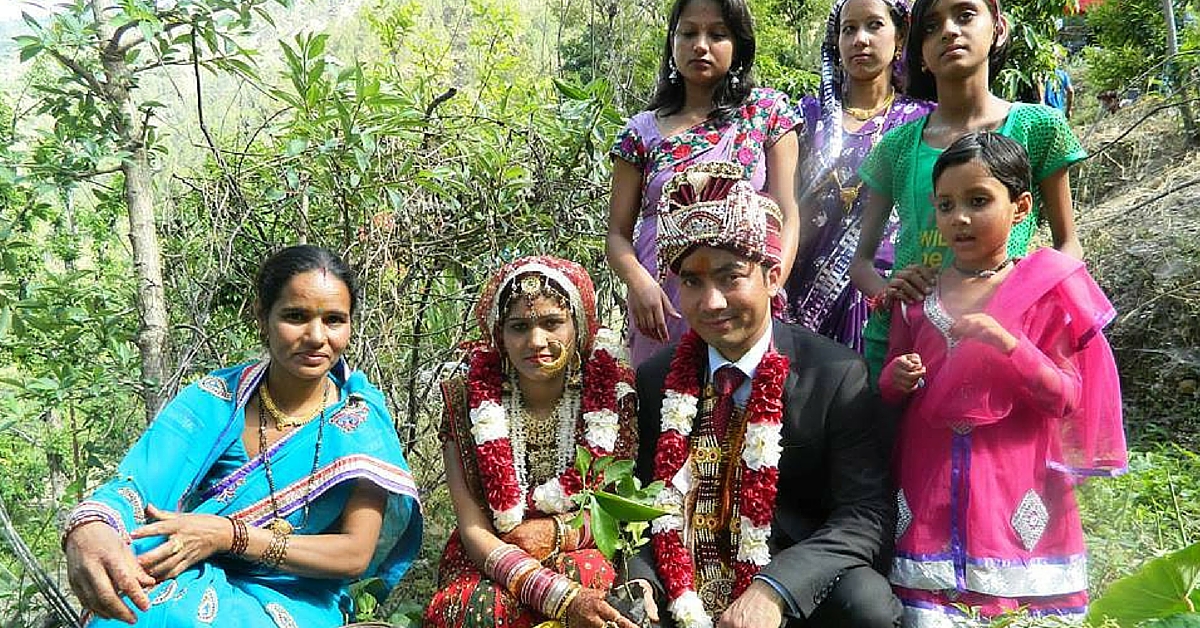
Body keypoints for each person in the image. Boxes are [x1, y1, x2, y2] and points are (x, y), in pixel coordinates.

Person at [61, 245, 423, 626]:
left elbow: (354, 554)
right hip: (189, 576)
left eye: (334, 320)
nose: (317, 336)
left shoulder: (360, 423)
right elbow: (136, 485)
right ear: (262, 317)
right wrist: (91, 528)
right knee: (132, 614)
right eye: (296, 316)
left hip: (298, 595)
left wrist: (228, 536)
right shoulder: (215, 401)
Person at [629, 161, 900, 628]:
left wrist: (775, 589)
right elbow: (638, 506)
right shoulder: (656, 379)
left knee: (867, 604)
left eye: (730, 277)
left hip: (791, 593)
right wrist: (640, 583)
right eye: (692, 281)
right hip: (683, 587)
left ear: (772, 277)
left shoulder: (835, 374)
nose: (711, 302)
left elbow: (865, 514)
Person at [879, 133, 1126, 625]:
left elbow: (1066, 397)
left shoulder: (1047, 291)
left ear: (1020, 207)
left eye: (978, 201)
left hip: (1017, 489)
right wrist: (898, 377)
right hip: (927, 491)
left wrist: (1010, 345)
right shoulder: (918, 293)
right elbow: (888, 388)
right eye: (946, 205)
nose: (960, 218)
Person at [848, 0, 1088, 380]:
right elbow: (860, 264)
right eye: (930, 26)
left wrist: (1023, 300)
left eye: (964, 15)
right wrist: (888, 291)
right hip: (906, 351)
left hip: (1001, 339)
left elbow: (1068, 247)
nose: (948, 31)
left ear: (998, 28)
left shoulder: (1040, 127)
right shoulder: (896, 146)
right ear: (920, 53)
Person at [424, 256, 645, 628]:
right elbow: (472, 525)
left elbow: (618, 508)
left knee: (589, 580)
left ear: (579, 326)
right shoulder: (464, 400)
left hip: (583, 546)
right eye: (519, 327)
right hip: (489, 551)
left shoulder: (613, 393)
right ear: (499, 335)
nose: (536, 341)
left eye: (552, 323)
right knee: (475, 604)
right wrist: (552, 594)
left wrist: (556, 533)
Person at [607, 0, 802, 367]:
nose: (700, 45)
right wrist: (640, 283)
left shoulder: (767, 114)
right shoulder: (640, 132)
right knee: (664, 408)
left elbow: (787, 213)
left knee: (749, 407)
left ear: (739, 46)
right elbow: (617, 234)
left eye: (717, 34)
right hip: (663, 305)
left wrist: (771, 285)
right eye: (688, 33)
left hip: (744, 295)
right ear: (672, 41)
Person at [786, 0, 934, 352]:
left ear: (900, 38)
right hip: (801, 294)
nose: (860, 39)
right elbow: (783, 200)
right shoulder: (807, 116)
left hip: (886, 294)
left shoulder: (923, 120)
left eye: (874, 26)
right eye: (848, 29)